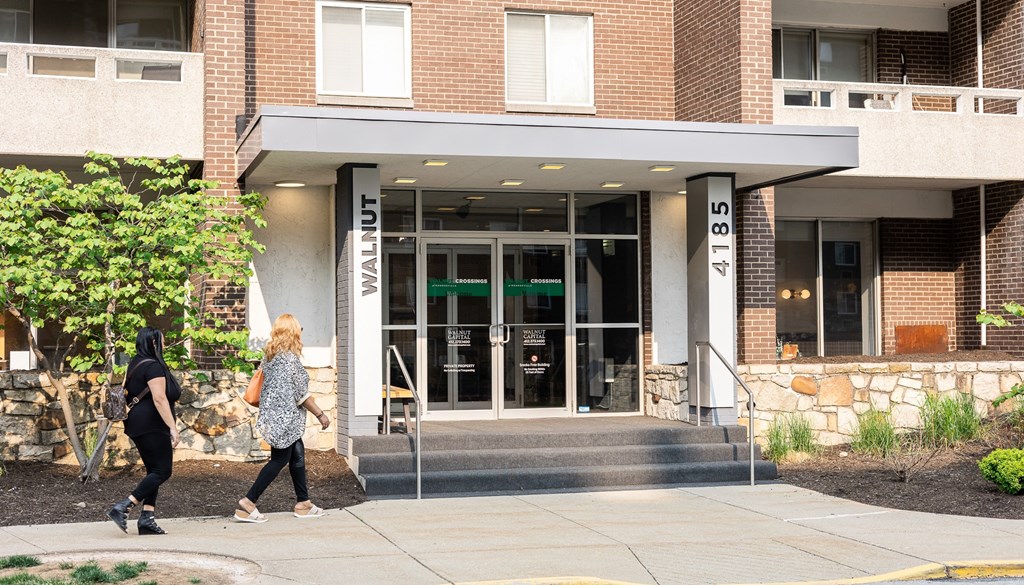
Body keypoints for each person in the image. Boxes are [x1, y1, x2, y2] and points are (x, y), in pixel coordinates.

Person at [235, 313, 330, 522]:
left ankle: (303, 502)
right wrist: (321, 414)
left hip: (273, 417)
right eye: (299, 330)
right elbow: (302, 396)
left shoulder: (270, 357)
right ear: (293, 332)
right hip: (285, 420)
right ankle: (248, 502)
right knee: (279, 460)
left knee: (297, 455)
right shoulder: (290, 360)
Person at [107, 327, 181, 535]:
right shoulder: (154, 367)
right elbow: (159, 398)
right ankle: (124, 506)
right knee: (163, 471)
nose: (164, 345)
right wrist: (172, 427)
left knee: (153, 471)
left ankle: (147, 519)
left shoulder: (135, 364)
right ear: (154, 343)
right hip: (152, 424)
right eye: (162, 341)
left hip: (136, 424)